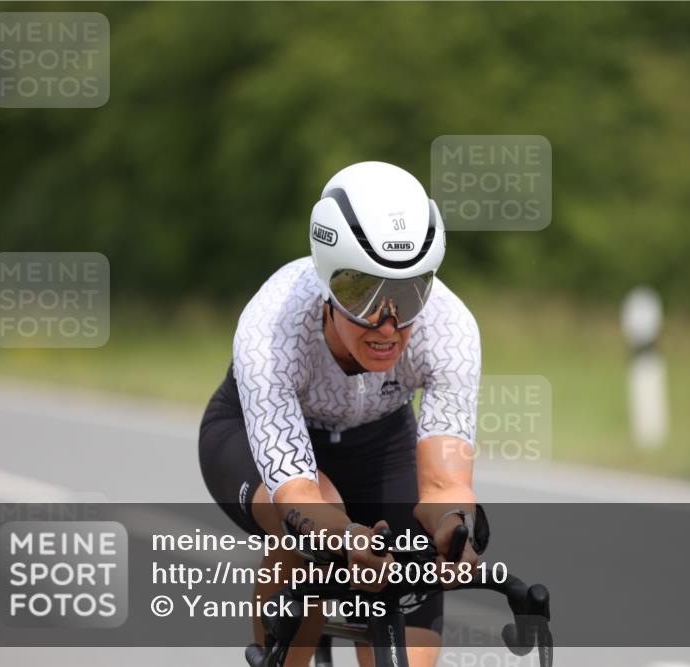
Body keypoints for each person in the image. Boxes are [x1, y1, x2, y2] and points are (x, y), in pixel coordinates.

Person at [199, 161, 481, 667]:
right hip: (253, 438)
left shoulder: (450, 327)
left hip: (379, 442)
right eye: (362, 293)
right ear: (328, 285)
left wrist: (453, 527)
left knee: (410, 595)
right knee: (309, 536)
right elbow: (299, 496)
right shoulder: (272, 327)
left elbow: (445, 485)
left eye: (409, 293)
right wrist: (346, 538)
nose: (388, 323)